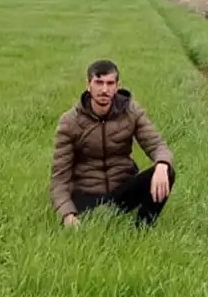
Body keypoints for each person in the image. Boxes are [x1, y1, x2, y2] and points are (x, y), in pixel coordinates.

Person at [48, 59, 176, 227]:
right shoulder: (70, 122)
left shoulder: (131, 111)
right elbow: (59, 177)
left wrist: (162, 165)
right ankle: (100, 217)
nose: (104, 89)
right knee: (93, 220)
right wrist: (67, 214)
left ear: (117, 86)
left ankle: (142, 229)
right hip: (87, 195)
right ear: (88, 85)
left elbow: (156, 144)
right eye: (98, 82)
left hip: (121, 190)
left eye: (110, 83)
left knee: (167, 171)